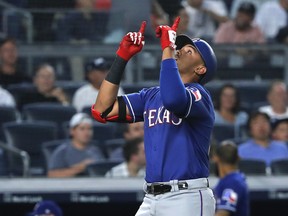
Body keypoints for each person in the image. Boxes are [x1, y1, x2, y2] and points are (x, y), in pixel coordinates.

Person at [91, 17, 217, 216]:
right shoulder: (151, 96)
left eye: (190, 50)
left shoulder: (200, 95)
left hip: (187, 196)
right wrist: (122, 57)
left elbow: (174, 100)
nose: (180, 49)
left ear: (200, 69)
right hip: (151, 197)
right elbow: (102, 110)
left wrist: (167, 49)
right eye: (180, 46)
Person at [48, 113, 105, 177]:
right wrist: (80, 168)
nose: (86, 132)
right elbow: (52, 175)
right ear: (72, 131)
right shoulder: (62, 152)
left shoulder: (95, 151)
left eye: (89, 129)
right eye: (82, 129)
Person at [212, 140, 249, 216]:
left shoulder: (233, 183)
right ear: (238, 158)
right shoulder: (231, 180)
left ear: (216, 158)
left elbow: (223, 213)